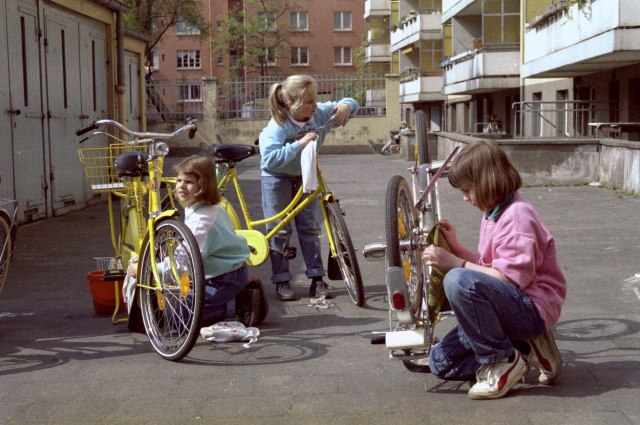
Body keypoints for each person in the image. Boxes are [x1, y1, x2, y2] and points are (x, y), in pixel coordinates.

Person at [421, 140, 566, 400]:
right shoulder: (493, 213)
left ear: (487, 182)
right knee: (439, 362)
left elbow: (507, 281)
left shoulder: (518, 217)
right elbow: (487, 268)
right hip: (512, 303)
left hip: (530, 308)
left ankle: (502, 361)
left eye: (467, 190)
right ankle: (521, 351)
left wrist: (454, 263)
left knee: (456, 279)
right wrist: (456, 249)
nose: (465, 198)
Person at [258, 75, 358, 301]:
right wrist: (299, 144)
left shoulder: (319, 113)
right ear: (291, 103)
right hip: (276, 179)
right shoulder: (279, 125)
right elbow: (269, 160)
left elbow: (352, 102)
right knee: (279, 230)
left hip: (305, 176)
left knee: (310, 227)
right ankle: (282, 281)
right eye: (310, 101)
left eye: (315, 99)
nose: (316, 105)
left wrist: (345, 106)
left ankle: (317, 279)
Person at [169, 155, 262, 327]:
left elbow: (184, 261)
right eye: (178, 180)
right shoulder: (205, 206)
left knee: (180, 321)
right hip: (221, 270)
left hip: (223, 277)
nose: (181, 186)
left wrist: (150, 268)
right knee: (181, 308)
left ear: (202, 185)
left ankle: (238, 304)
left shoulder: (201, 220)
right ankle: (232, 295)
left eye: (188, 182)